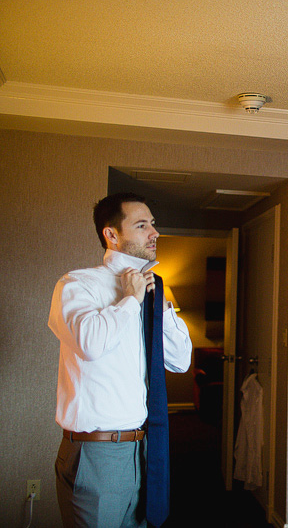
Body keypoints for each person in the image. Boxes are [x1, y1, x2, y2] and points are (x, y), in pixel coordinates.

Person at [49, 192, 192, 527]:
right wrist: (131, 299)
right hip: (96, 453)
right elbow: (90, 344)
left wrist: (163, 304)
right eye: (141, 225)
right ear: (111, 235)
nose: (154, 233)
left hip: (143, 448)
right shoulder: (77, 285)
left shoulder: (156, 289)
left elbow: (180, 361)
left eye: (153, 224)